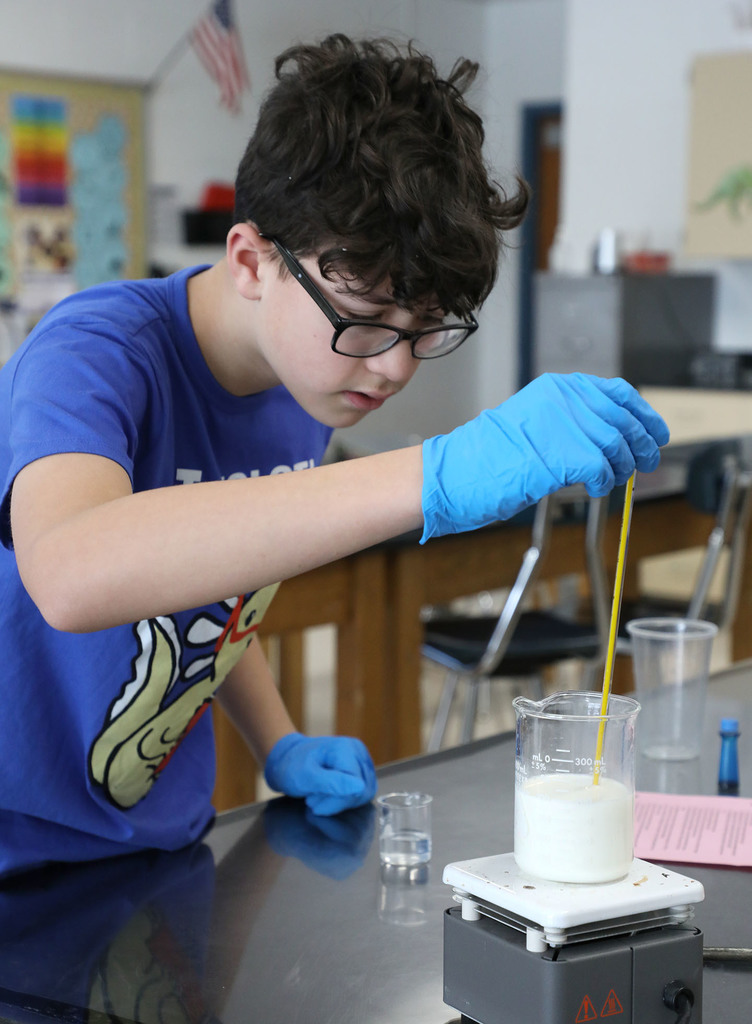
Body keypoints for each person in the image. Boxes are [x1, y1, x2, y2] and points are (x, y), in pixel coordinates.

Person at [0, 34, 668, 878]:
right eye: (365, 318)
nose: (393, 366)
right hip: (17, 859)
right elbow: (68, 568)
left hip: (151, 844)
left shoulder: (309, 378)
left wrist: (278, 741)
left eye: (426, 328)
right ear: (251, 260)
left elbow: (208, 587)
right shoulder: (92, 351)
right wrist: (432, 472)